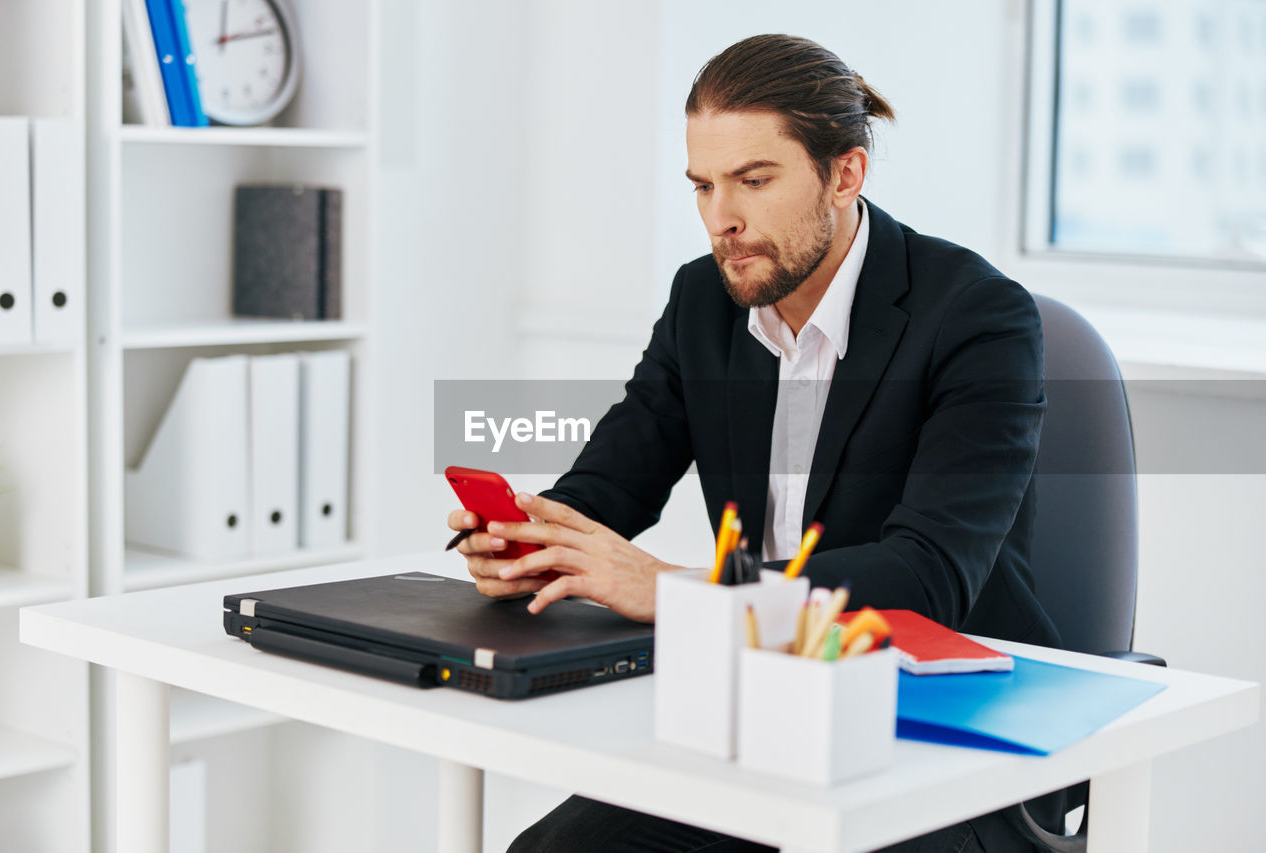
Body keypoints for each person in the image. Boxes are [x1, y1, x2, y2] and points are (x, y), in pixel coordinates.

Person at [448, 34, 1062, 853]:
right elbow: (613, 480)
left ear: (845, 174)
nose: (721, 219)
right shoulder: (705, 300)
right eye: (703, 186)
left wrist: (679, 590)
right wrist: (532, 538)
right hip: (761, 710)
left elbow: (928, 574)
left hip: (941, 732)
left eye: (754, 181)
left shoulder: (978, 317)